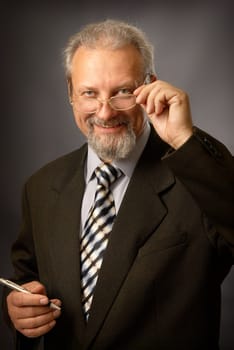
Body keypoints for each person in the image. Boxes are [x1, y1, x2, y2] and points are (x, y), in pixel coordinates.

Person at [2, 19, 234, 350]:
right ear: (71, 93)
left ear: (150, 86)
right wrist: (14, 307)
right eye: (89, 93)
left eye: (123, 91)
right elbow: (24, 279)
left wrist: (185, 139)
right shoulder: (41, 186)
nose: (105, 112)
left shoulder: (196, 174)